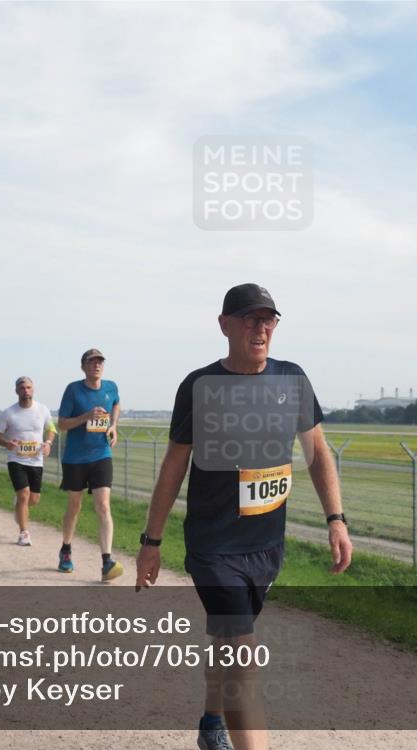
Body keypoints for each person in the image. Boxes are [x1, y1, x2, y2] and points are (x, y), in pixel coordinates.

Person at [135, 283, 353, 750]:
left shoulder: (292, 380)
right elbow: (175, 465)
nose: (261, 328)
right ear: (225, 325)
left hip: (266, 546)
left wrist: (336, 518)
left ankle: (212, 720)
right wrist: (151, 542)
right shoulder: (199, 386)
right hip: (214, 549)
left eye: (268, 319)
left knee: (229, 640)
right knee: (243, 657)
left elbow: (317, 455)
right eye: (250, 319)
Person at [57, 348, 122, 582]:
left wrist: (113, 425)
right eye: (92, 362)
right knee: (75, 506)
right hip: (75, 458)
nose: (97, 365)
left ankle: (107, 560)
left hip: (101, 454)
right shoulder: (73, 390)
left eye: (100, 362)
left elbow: (116, 403)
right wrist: (86, 416)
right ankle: (66, 548)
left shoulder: (111, 386)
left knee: (103, 506)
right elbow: (62, 424)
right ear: (83, 366)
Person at [0, 377, 56, 547]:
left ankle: (19, 506)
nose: (26, 390)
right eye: (22, 388)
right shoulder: (9, 413)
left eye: (28, 387)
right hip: (16, 459)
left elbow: (51, 429)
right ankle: (24, 533)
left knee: (33, 499)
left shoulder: (42, 410)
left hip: (36, 460)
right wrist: (7, 443)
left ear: (33, 390)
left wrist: (48, 443)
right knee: (24, 494)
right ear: (16, 391)